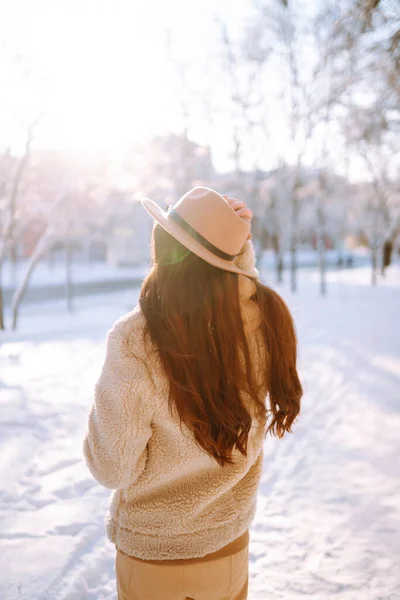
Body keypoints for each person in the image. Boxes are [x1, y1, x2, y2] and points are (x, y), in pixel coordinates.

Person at [83, 186, 302, 600]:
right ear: (228, 262)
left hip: (156, 558)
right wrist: (233, 246)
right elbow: (241, 290)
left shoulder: (137, 339)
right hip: (230, 547)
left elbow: (112, 468)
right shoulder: (264, 318)